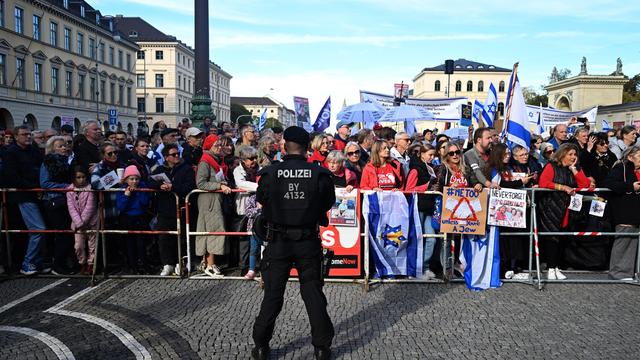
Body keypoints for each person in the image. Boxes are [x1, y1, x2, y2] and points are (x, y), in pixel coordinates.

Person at [251, 126, 335, 360]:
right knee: (312, 293)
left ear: (285, 145)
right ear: (307, 147)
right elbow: (327, 203)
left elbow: (262, 201)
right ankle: (321, 347)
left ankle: (260, 345)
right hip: (307, 240)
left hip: (278, 241)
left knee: (273, 295)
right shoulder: (319, 174)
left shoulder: (270, 173)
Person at [537, 143, 592, 280]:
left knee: (561, 237)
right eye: (570, 154)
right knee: (552, 237)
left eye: (575, 155)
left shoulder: (574, 168)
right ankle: (550, 268)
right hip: (551, 206)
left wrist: (574, 169)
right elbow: (544, 183)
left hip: (566, 208)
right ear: (562, 154)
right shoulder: (551, 166)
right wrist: (562, 187)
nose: (573, 157)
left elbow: (584, 185)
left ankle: (556, 267)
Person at [3, 125, 48, 275]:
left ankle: (37, 262)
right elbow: (12, 177)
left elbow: (41, 168)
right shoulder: (11, 153)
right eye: (24, 134)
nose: (28, 137)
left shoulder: (33, 150)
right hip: (24, 195)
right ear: (16, 137)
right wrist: (34, 187)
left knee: (40, 229)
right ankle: (28, 262)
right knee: (38, 229)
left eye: (29, 134)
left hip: (36, 193)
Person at [484, 143, 533, 279]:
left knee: (514, 238)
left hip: (511, 210)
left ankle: (513, 267)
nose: (508, 156)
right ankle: (504, 268)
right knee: (504, 240)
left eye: (508, 154)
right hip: (498, 210)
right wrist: (520, 182)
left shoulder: (508, 168)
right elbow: (500, 186)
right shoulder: (493, 168)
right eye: (505, 154)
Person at [150, 144, 196, 276]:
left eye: (178, 154)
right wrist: (160, 185)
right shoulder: (159, 169)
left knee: (182, 238)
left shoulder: (186, 169)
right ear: (166, 157)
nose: (177, 156)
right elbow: (149, 181)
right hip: (164, 209)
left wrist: (173, 187)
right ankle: (167, 264)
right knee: (164, 237)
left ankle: (180, 262)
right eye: (173, 154)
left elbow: (190, 186)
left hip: (182, 209)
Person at [196, 134, 232, 277]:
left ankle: (208, 263)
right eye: (216, 145)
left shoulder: (216, 160)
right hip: (209, 200)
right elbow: (200, 183)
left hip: (215, 199)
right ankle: (210, 265)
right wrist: (219, 185)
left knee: (212, 229)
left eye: (219, 145)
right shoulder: (206, 161)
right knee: (212, 230)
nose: (219, 147)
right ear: (208, 146)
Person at [603, 145, 640, 280]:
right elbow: (608, 183)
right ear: (630, 157)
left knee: (634, 242)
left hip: (636, 210)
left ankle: (632, 271)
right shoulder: (620, 168)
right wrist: (631, 186)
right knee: (624, 241)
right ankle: (618, 272)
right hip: (624, 210)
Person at [40, 136, 73, 275]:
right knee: (62, 233)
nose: (64, 147)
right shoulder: (48, 162)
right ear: (52, 148)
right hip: (53, 200)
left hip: (65, 200)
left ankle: (62, 262)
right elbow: (45, 183)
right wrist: (66, 186)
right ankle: (57, 264)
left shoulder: (65, 162)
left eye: (65, 145)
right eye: (60, 146)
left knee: (66, 233)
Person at [404, 143, 438, 279]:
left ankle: (424, 267)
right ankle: (413, 268)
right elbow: (408, 189)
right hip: (419, 207)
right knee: (416, 238)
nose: (432, 157)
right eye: (430, 155)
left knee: (431, 239)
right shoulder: (415, 170)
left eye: (433, 155)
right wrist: (426, 186)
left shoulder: (430, 168)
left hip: (429, 207)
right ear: (422, 154)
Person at [116, 165, 151, 274]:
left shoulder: (143, 186)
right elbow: (120, 207)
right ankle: (132, 266)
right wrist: (127, 196)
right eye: (131, 179)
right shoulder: (122, 188)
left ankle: (144, 265)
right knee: (129, 244)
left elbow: (145, 203)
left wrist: (138, 192)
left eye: (136, 179)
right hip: (127, 218)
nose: (134, 181)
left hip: (140, 217)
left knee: (141, 243)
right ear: (126, 179)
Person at [233, 146, 260, 278]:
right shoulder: (238, 171)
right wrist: (259, 187)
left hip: (258, 206)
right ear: (243, 160)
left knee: (257, 236)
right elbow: (240, 184)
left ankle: (257, 265)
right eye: (251, 158)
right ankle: (244, 265)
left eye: (255, 157)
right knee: (244, 237)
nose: (254, 160)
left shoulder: (259, 169)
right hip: (243, 207)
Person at [66, 166, 98, 275]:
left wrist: (83, 221)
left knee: (92, 245)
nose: (81, 180)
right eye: (78, 177)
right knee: (78, 245)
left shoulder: (90, 188)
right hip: (77, 224)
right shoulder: (69, 190)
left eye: (83, 177)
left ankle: (90, 265)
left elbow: (90, 207)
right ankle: (82, 263)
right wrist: (79, 223)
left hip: (91, 222)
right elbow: (71, 208)